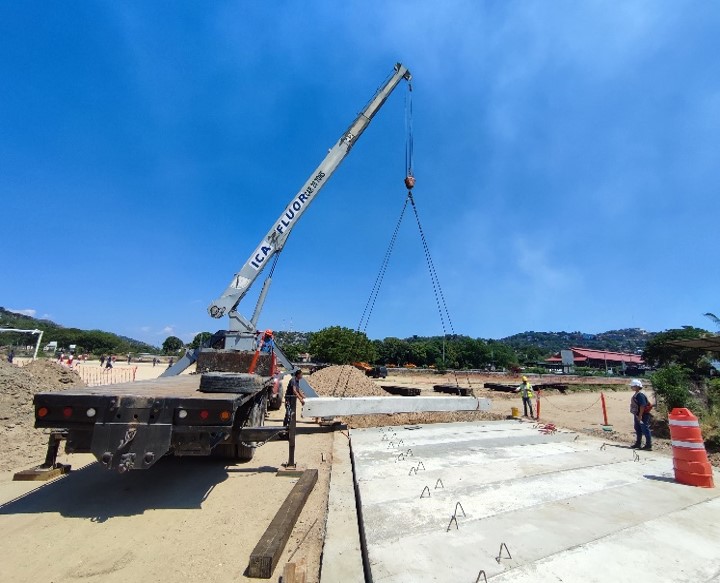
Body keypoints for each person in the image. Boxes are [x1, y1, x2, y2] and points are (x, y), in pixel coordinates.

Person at [630, 379, 652, 450]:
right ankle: (638, 443)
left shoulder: (640, 395)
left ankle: (648, 445)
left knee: (645, 429)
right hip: (638, 414)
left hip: (642, 415)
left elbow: (642, 406)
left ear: (636, 386)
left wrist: (640, 415)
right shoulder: (638, 393)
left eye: (632, 386)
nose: (631, 387)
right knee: (638, 429)